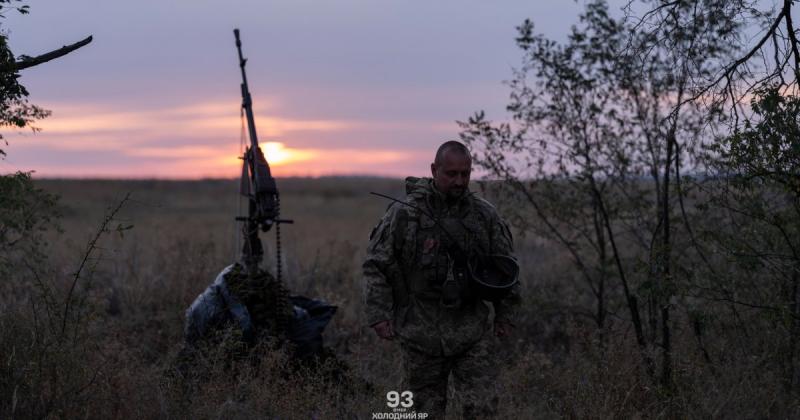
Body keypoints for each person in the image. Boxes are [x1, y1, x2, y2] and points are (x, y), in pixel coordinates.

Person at [363, 140, 521, 418]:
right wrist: (378, 314)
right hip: (419, 333)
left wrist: (506, 315)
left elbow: (507, 268)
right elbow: (377, 264)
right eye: (451, 174)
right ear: (434, 170)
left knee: (483, 408)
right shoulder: (405, 213)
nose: (459, 181)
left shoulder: (484, 215)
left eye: (465, 174)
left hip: (471, 331)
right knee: (416, 412)